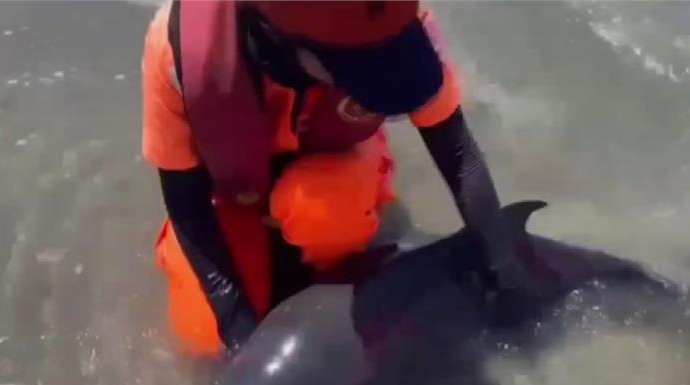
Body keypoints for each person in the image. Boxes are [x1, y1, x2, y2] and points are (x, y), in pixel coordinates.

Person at [141, 0, 531, 358]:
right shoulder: (177, 52)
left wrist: (506, 272)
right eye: (362, 64)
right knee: (202, 335)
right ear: (282, 38)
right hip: (234, 192)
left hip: (335, 168)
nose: (387, 69)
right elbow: (186, 203)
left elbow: (458, 152)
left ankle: (338, 264)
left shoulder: (391, 17)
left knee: (323, 214)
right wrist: (238, 329)